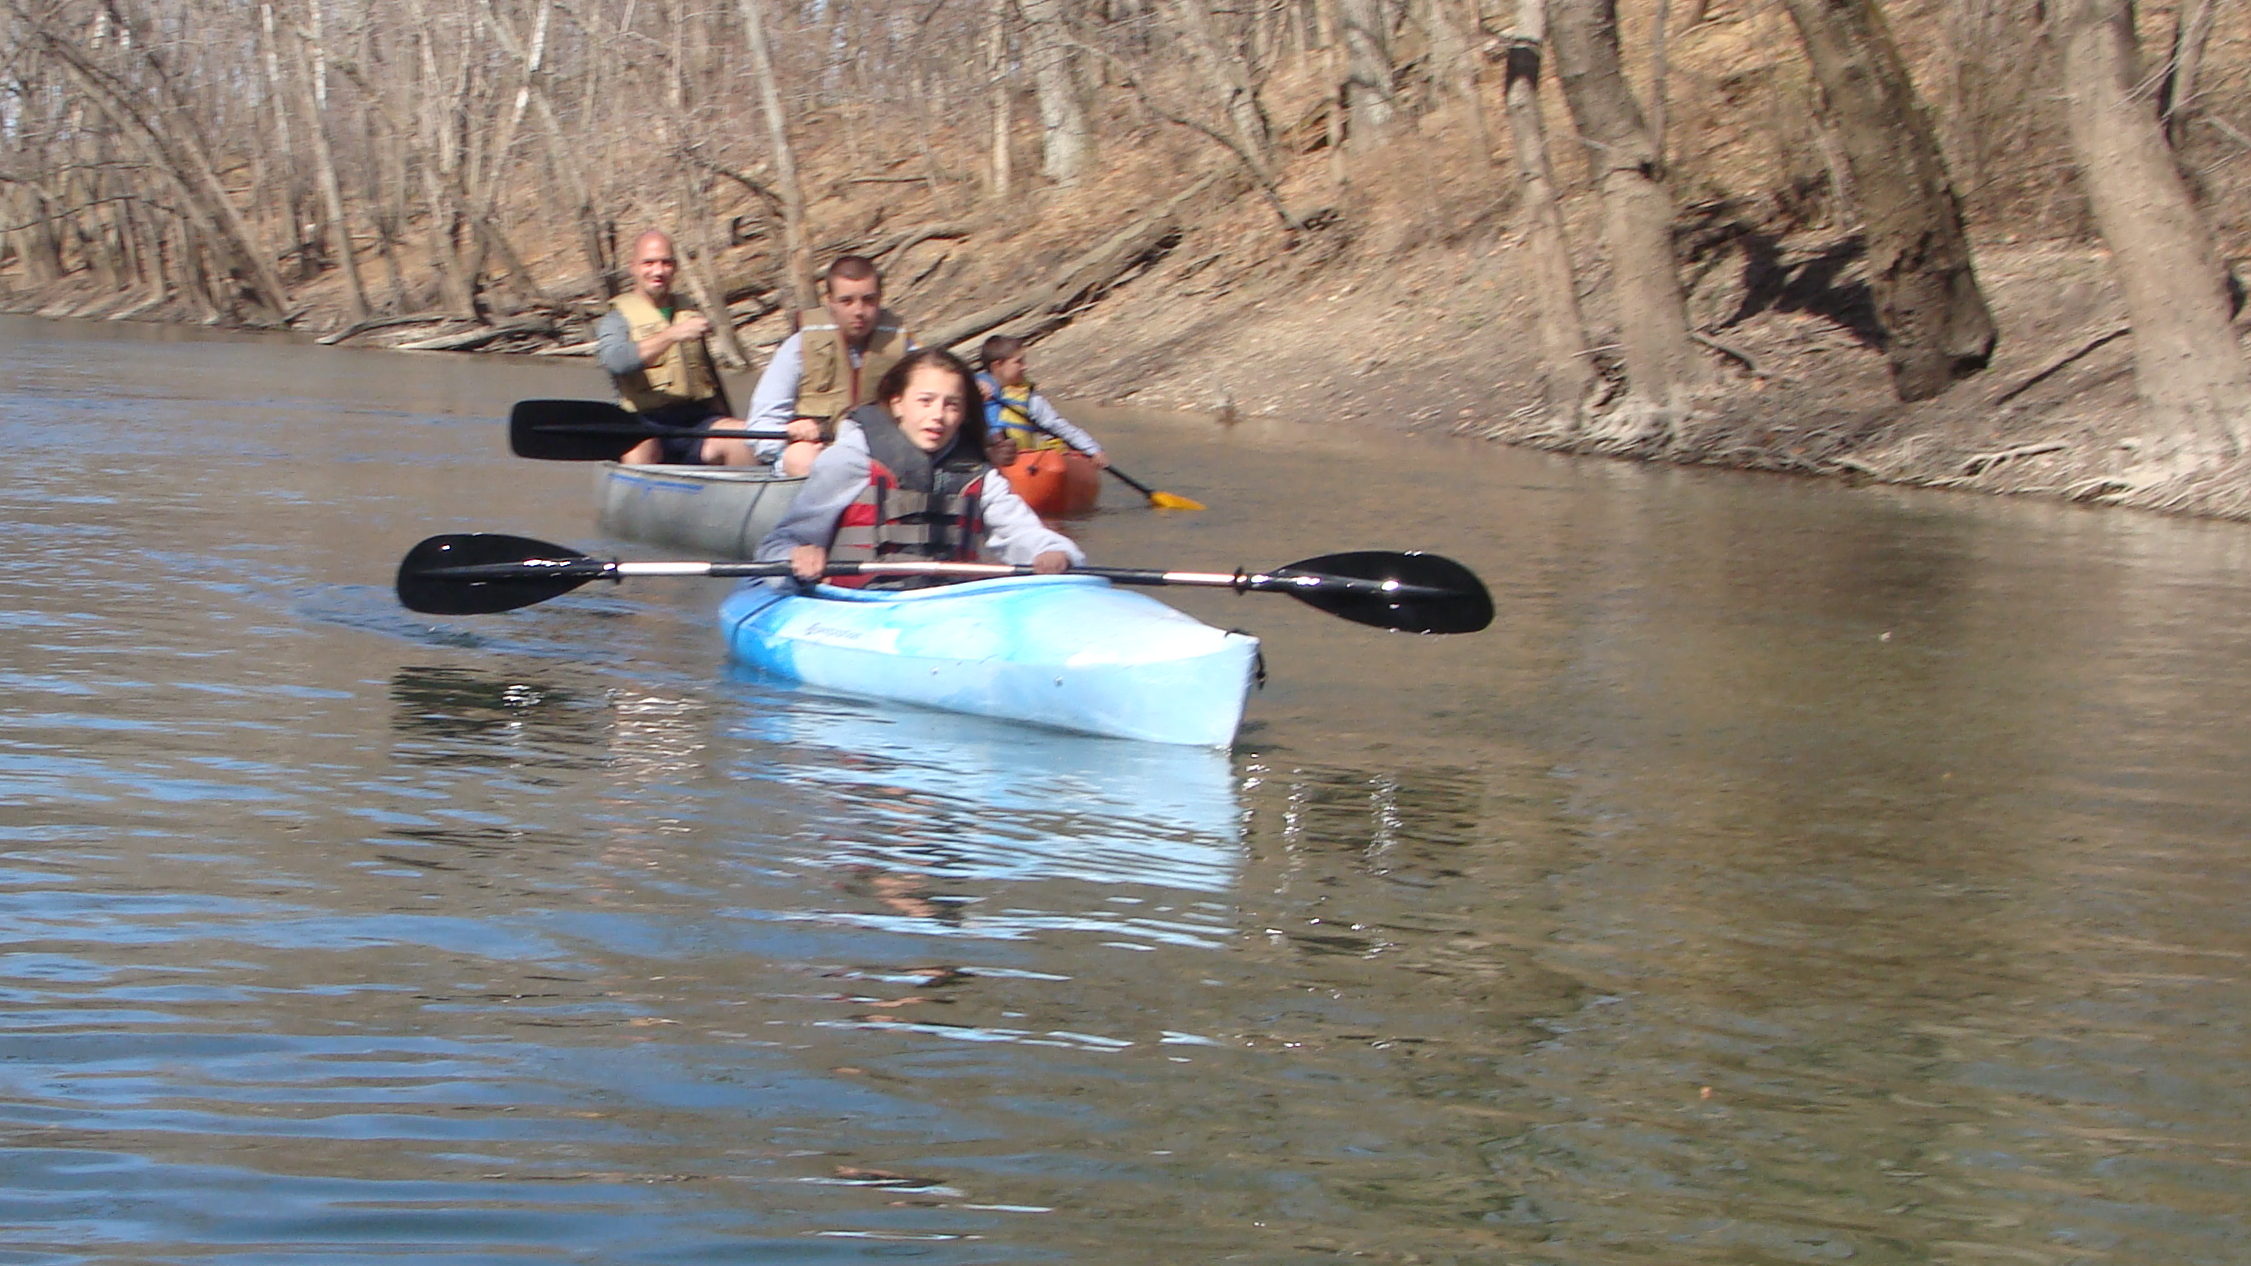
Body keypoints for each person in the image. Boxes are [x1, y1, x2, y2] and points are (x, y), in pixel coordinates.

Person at [757, 348, 1081, 585]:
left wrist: (1052, 552)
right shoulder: (848, 460)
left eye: (951, 405)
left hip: (946, 607)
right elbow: (779, 543)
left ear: (965, 412)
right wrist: (796, 555)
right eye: (925, 401)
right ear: (897, 403)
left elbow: (1021, 532)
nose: (938, 416)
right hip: (859, 605)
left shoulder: (978, 473)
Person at [594, 229, 756, 466]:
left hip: (697, 420)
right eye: (648, 263)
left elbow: (708, 379)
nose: (658, 271)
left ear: (675, 268)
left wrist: (725, 416)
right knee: (638, 451)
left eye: (666, 263)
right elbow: (616, 361)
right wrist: (672, 335)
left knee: (744, 438)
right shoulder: (617, 318)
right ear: (633, 267)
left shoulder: (688, 313)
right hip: (642, 423)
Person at [747, 256, 916, 477]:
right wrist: (790, 432)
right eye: (847, 301)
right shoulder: (797, 348)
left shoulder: (905, 349)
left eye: (868, 300)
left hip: (882, 454)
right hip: (819, 455)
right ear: (830, 301)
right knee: (801, 458)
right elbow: (760, 427)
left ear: (880, 299)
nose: (859, 311)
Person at [975, 335, 1109, 469]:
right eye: (1018, 362)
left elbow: (1059, 427)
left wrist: (1092, 449)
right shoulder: (969, 388)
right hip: (981, 460)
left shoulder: (1031, 399)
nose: (1025, 366)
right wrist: (972, 388)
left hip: (1015, 465)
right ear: (997, 365)